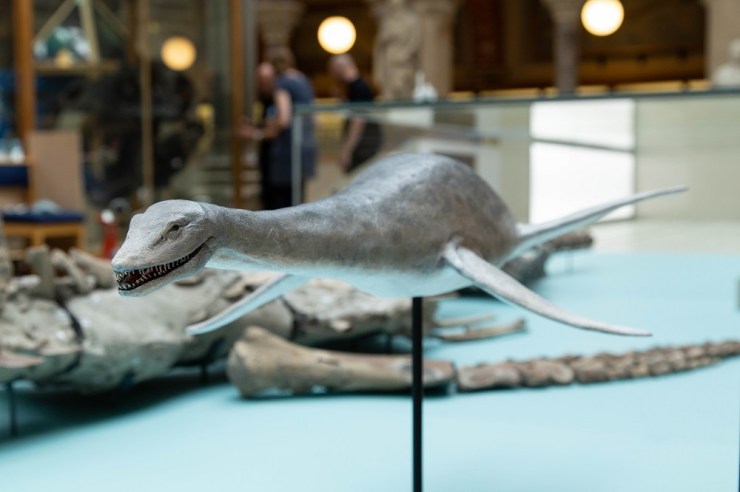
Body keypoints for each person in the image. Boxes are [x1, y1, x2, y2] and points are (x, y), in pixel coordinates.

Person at [240, 49, 317, 209]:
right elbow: (314, 118)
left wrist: (259, 133)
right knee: (297, 200)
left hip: (286, 151)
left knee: (281, 204)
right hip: (304, 146)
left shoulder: (282, 83)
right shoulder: (303, 80)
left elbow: (284, 119)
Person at [328, 53, 383, 173]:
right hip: (363, 143)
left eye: (332, 70)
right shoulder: (353, 87)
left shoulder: (359, 87)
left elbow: (358, 119)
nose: (332, 75)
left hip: (363, 145)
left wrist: (347, 149)